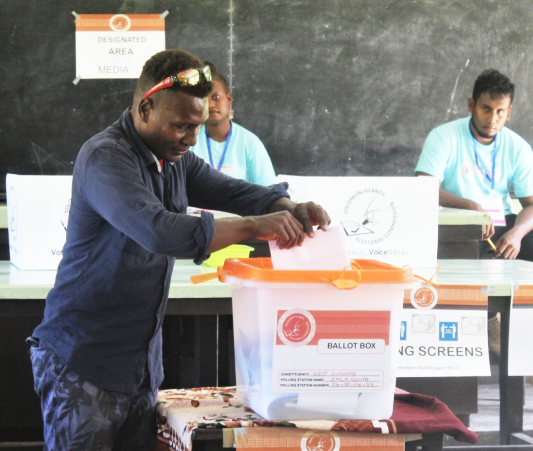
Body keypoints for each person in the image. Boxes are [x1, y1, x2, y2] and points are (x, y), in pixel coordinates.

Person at [28, 49, 330, 450]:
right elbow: (158, 231)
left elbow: (235, 191)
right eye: (182, 127)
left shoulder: (174, 160)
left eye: (199, 127)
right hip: (82, 361)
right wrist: (255, 227)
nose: (192, 140)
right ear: (146, 108)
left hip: (139, 366)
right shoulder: (105, 157)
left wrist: (288, 207)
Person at [415, 69, 533, 404]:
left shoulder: (517, 147)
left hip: (503, 223)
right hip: (456, 225)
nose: (492, 119)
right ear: (471, 105)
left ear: (509, 112)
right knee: (478, 274)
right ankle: (494, 324)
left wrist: (519, 233)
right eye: (485, 109)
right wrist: (467, 205)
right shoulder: (443, 137)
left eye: (500, 112)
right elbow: (424, 188)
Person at [190, 67, 277, 186]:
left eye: (216, 97)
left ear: (229, 99)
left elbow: (269, 190)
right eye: (204, 99)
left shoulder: (250, 143)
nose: (210, 104)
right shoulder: (190, 140)